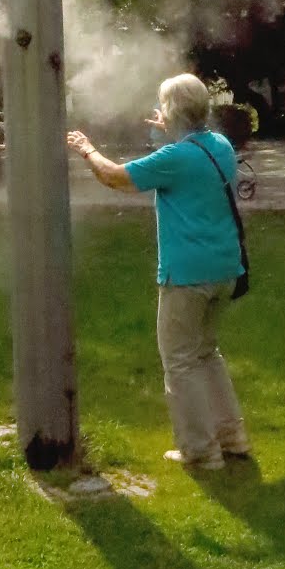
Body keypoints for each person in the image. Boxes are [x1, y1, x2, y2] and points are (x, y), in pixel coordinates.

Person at [67, 72, 251, 472]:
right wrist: (173, 131)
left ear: (171, 112)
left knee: (180, 361)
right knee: (206, 352)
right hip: (225, 269)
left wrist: (86, 149)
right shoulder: (218, 145)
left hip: (187, 276)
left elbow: (114, 177)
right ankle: (231, 437)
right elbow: (188, 158)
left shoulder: (174, 159)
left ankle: (201, 451)